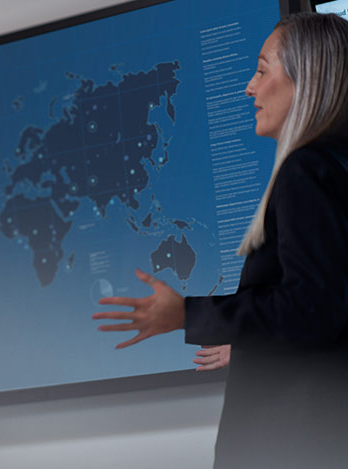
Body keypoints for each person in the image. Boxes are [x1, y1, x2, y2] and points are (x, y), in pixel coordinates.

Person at [93, 12, 348, 468]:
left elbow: (315, 308)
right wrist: (255, 340)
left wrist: (186, 314)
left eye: (262, 70)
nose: (250, 87)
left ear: (305, 79)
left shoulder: (306, 171)